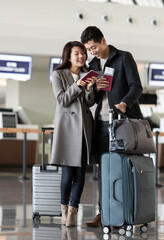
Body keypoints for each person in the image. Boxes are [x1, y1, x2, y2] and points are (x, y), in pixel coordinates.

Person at [80, 26, 143, 227]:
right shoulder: (94, 65)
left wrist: (125, 103)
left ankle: (126, 212)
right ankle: (104, 213)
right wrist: (91, 89)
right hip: (102, 122)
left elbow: (136, 86)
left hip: (122, 121)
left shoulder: (124, 58)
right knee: (103, 169)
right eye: (89, 49)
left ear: (103, 40)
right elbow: (92, 100)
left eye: (94, 47)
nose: (92, 52)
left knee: (123, 167)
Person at [50, 41, 96, 227]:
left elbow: (90, 103)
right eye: (77, 53)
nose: (81, 56)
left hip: (84, 128)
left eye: (83, 53)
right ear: (68, 56)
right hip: (68, 129)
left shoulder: (88, 74)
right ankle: (64, 210)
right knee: (68, 174)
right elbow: (62, 100)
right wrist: (78, 85)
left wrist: (90, 88)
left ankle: (73, 212)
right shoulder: (58, 74)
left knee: (81, 173)